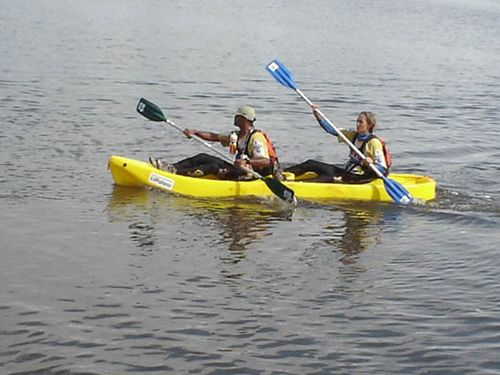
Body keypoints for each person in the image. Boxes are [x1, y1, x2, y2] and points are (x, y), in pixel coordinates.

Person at [149, 105, 282, 180]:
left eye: (237, 116)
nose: (234, 118)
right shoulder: (237, 135)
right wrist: (195, 132)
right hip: (240, 169)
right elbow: (214, 137)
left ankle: (175, 176)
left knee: (213, 166)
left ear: (244, 119)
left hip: (252, 176)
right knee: (203, 157)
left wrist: (247, 162)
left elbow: (265, 161)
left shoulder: (256, 137)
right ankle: (171, 168)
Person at [284, 106, 389, 184]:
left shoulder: (374, 143)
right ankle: (281, 173)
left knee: (325, 177)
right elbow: (332, 130)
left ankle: (299, 186)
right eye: (357, 121)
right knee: (310, 163)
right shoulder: (353, 135)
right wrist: (318, 117)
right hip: (347, 172)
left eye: (360, 122)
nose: (357, 124)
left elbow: (382, 168)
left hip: (358, 178)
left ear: (369, 125)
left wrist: (370, 164)